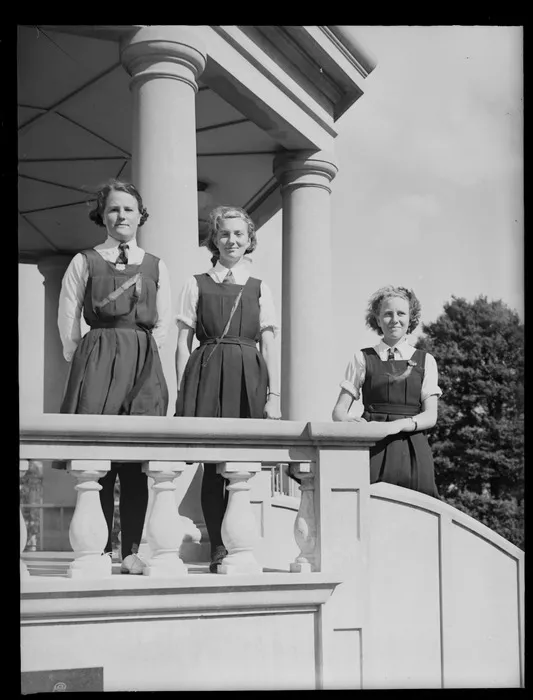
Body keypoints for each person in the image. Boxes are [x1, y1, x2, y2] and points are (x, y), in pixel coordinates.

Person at [57, 179, 171, 573]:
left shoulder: (156, 264)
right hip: (98, 358)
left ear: (141, 215)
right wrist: (86, 359)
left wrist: (144, 354)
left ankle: (133, 552)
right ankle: (100, 549)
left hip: (142, 359)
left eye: (128, 209)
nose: (121, 216)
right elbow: (69, 317)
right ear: (102, 216)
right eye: (113, 209)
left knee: (136, 461)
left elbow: (163, 322)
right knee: (99, 458)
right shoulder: (84, 261)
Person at [175, 205, 281, 572]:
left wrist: (273, 396)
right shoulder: (196, 283)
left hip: (247, 373)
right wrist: (182, 393)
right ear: (213, 240)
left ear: (249, 240)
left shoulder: (259, 288)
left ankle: (238, 543)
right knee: (210, 461)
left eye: (239, 234)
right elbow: (181, 343)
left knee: (239, 463)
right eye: (224, 234)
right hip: (207, 371)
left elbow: (268, 345)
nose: (231, 240)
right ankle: (218, 547)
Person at [332, 285, 441, 498]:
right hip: (373, 445)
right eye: (388, 314)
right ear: (378, 319)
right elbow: (338, 412)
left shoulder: (426, 360)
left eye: (401, 313)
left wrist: (398, 425)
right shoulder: (362, 358)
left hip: (413, 447)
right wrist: (350, 421)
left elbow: (431, 416)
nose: (395, 319)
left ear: (412, 318)